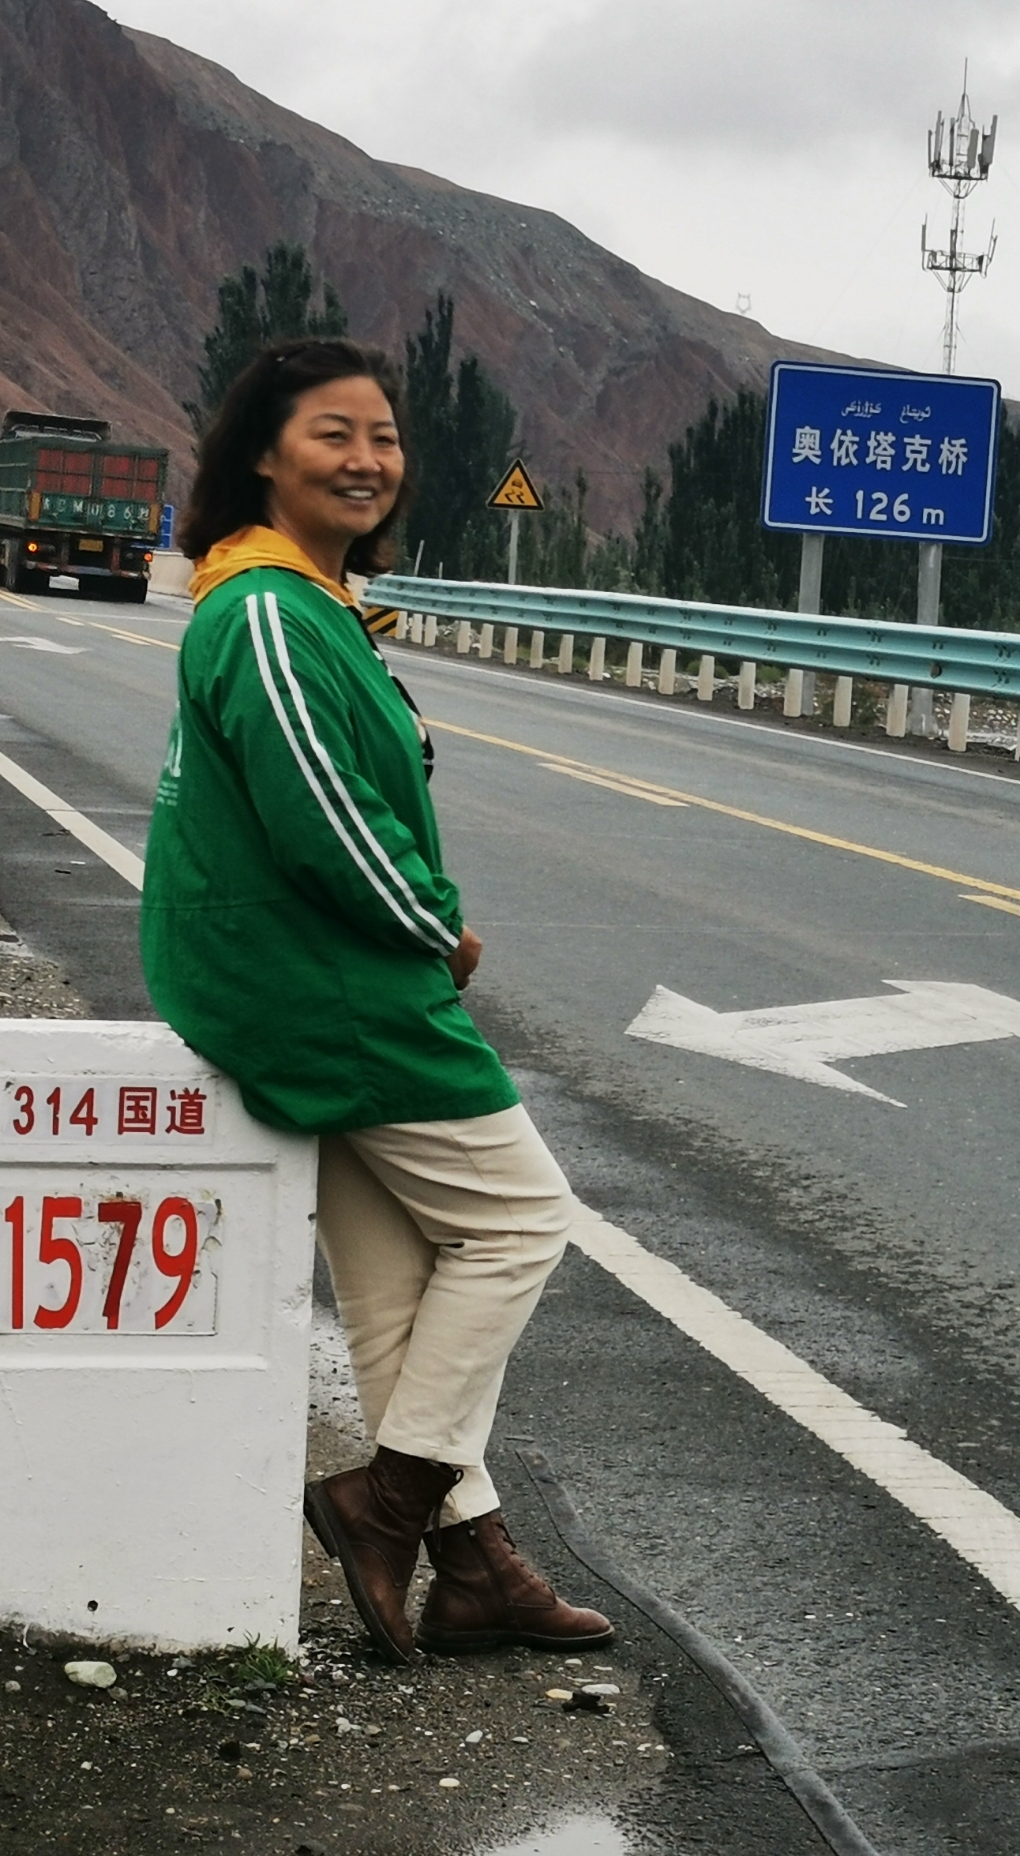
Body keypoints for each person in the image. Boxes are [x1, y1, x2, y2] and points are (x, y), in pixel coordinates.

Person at [140, 336, 610, 1664]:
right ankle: (381, 1505)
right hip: (327, 985)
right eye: (334, 434)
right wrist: (436, 930)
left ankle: (475, 1573)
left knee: (398, 1289)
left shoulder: (304, 603)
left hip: (304, 977)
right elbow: (322, 823)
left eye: (386, 438)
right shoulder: (272, 614)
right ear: (262, 456)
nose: (368, 460)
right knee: (523, 1223)